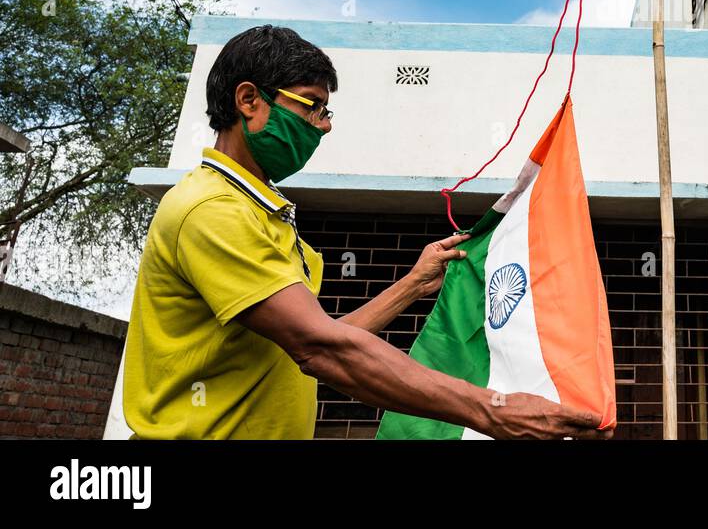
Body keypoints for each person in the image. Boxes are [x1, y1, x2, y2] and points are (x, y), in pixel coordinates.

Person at [122, 24, 608, 440]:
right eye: (312, 106)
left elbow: (314, 341)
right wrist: (493, 410)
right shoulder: (212, 210)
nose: (324, 126)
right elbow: (321, 350)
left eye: (326, 111)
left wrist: (416, 283)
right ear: (248, 99)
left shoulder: (254, 211)